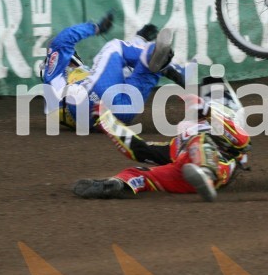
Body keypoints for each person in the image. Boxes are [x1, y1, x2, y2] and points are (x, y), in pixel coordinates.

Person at [72, 84, 251, 201]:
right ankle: (115, 185)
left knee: (200, 140)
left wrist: (207, 110)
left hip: (218, 168)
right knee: (139, 173)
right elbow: (140, 150)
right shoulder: (182, 141)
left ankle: (206, 172)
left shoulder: (233, 137)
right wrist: (107, 121)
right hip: (185, 173)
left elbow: (242, 141)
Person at [39, 12, 182, 131]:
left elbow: (118, 71)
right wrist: (96, 27)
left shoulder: (62, 85)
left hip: (120, 113)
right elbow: (64, 39)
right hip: (92, 101)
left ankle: (157, 63)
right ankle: (162, 65)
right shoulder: (56, 73)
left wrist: (139, 40)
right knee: (115, 46)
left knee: (142, 68)